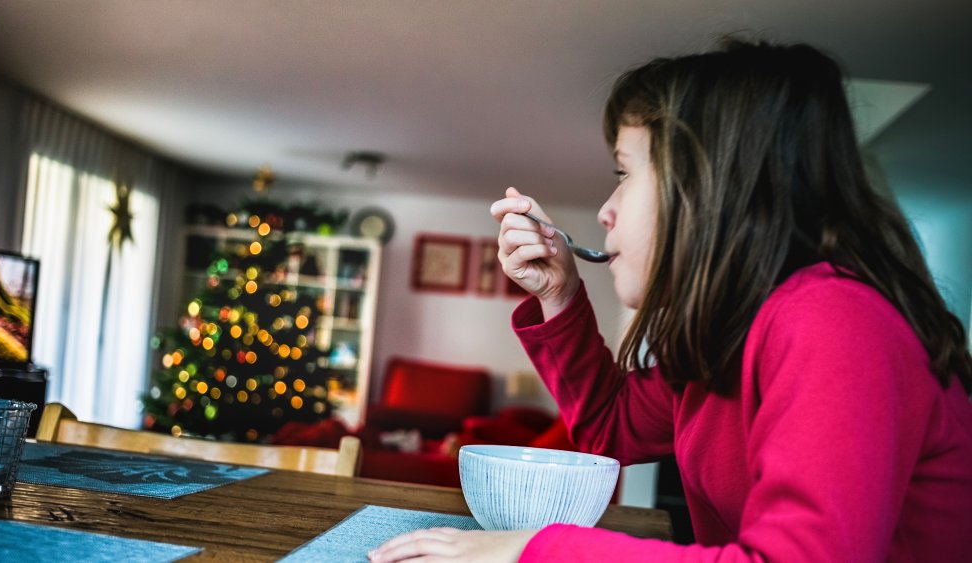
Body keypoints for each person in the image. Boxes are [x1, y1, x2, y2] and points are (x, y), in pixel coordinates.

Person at [368, 38, 972, 562]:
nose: (605, 211)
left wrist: (530, 549)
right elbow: (610, 430)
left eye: (624, 174)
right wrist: (560, 294)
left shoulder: (836, 321)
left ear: (711, 189)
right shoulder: (729, 337)